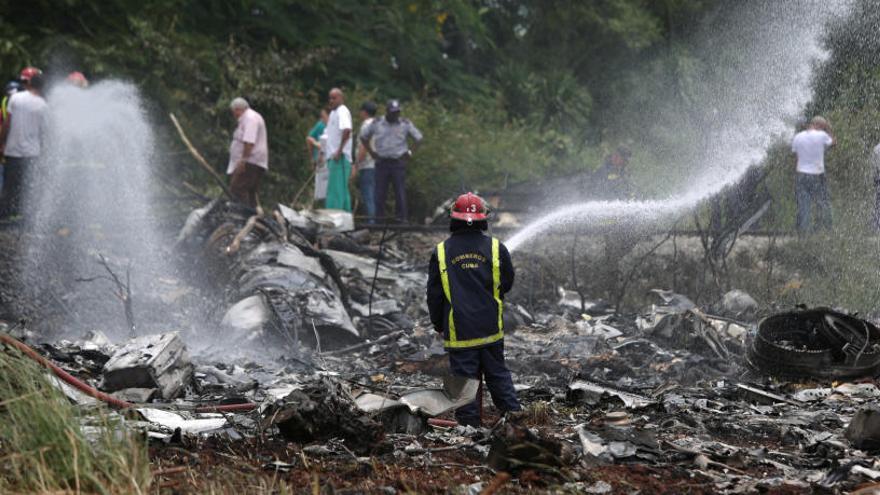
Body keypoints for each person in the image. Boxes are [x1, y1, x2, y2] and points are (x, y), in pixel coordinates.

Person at [426, 192, 520, 427]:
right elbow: (506, 282)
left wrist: (439, 323)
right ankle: (515, 419)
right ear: (483, 219)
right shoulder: (497, 249)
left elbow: (434, 295)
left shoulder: (441, 252)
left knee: (465, 381)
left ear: (453, 219)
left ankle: (470, 428)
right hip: (490, 328)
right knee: (498, 374)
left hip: (460, 331)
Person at [361, 99, 423, 223]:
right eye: (393, 112)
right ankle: (379, 221)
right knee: (379, 193)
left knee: (399, 193)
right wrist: (371, 152)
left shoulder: (405, 124)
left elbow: (419, 138)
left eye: (397, 112)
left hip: (398, 162)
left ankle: (401, 220)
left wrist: (410, 152)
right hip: (382, 162)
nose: (395, 115)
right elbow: (364, 137)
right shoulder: (377, 123)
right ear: (387, 111)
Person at [0, 68, 47, 218]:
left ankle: (5, 216)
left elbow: (7, 124)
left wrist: (2, 142)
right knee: (27, 187)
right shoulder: (43, 105)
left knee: (9, 186)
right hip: (32, 153)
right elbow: (44, 132)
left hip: (12, 151)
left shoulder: (15, 99)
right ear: (41, 87)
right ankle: (24, 216)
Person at [791, 116, 835, 233]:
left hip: (801, 174)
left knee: (804, 206)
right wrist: (829, 128)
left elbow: (796, 158)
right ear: (820, 126)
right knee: (823, 202)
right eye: (824, 128)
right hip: (817, 174)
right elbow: (833, 143)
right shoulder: (821, 135)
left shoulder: (798, 137)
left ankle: (803, 234)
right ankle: (828, 230)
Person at [226, 97, 268, 209]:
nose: (234, 115)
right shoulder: (248, 118)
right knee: (250, 193)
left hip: (251, 161)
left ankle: (242, 217)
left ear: (238, 109)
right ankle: (253, 217)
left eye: (233, 112)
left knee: (237, 188)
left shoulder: (250, 118)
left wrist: (243, 160)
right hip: (252, 161)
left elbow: (249, 141)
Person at [324, 88, 353, 211]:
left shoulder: (342, 111)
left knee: (335, 191)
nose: (331, 100)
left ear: (341, 98)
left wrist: (339, 150)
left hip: (339, 157)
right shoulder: (332, 113)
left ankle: (333, 218)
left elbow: (347, 130)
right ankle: (346, 218)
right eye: (330, 98)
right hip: (333, 156)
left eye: (334, 98)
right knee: (342, 190)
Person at [354, 101, 377, 223]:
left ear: (364, 112)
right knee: (373, 194)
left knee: (367, 194)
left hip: (367, 165)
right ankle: (374, 221)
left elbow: (363, 147)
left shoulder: (366, 126)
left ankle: (371, 223)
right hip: (377, 164)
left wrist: (356, 164)